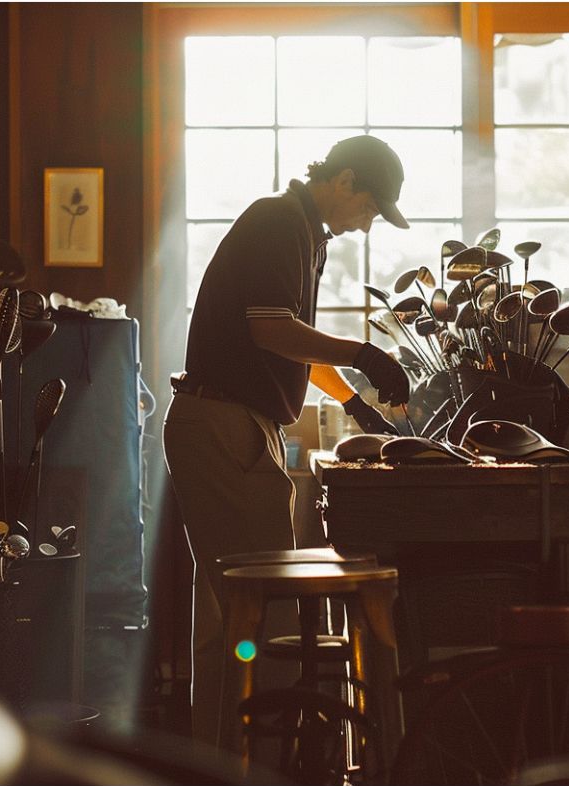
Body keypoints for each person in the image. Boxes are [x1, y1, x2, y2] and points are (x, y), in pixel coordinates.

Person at [163, 135, 412, 746]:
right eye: (371, 208)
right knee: (262, 603)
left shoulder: (305, 231)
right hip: (225, 425)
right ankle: (265, 761)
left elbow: (288, 337)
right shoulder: (279, 220)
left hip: (233, 425)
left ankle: (226, 757)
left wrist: (352, 398)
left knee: (229, 610)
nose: (368, 224)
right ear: (345, 180)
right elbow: (272, 329)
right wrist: (362, 354)